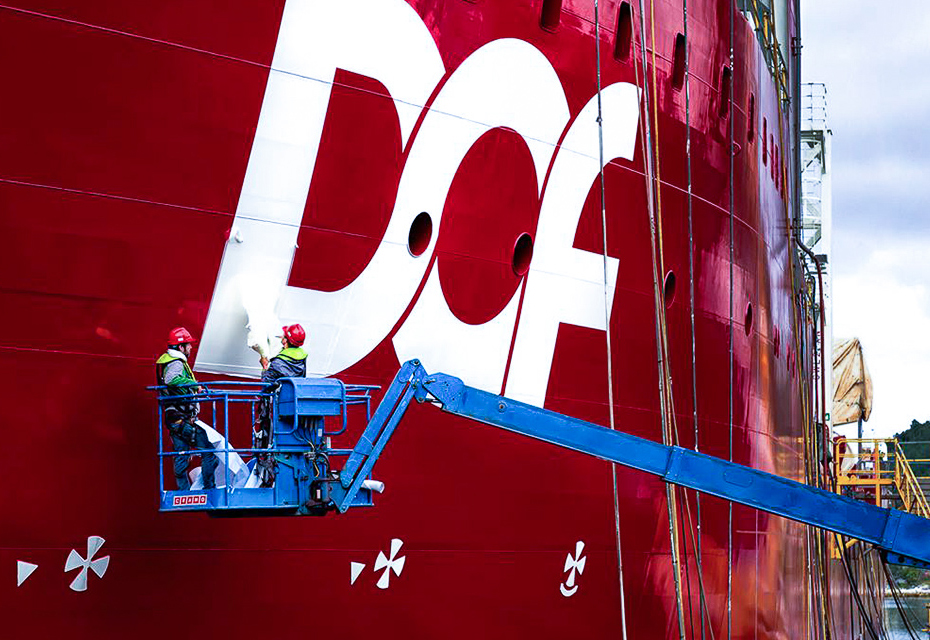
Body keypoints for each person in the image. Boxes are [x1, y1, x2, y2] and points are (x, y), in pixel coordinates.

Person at [155, 327, 218, 490]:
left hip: (173, 419)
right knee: (209, 452)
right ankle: (209, 489)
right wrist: (194, 384)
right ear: (180, 347)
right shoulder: (176, 362)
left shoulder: (167, 361)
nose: (191, 347)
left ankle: (183, 492)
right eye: (188, 344)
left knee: (182, 455)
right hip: (182, 419)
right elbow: (171, 379)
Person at [252, 325, 307, 483]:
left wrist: (265, 367)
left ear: (286, 341)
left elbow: (266, 385)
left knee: (272, 443)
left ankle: (268, 473)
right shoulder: (302, 358)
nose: (281, 339)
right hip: (297, 409)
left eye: (284, 337)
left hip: (279, 412)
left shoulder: (278, 362)